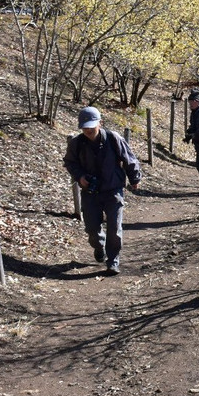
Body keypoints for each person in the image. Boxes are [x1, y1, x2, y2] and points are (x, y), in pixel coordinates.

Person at [63, 106, 142, 276]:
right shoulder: (76, 144)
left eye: (91, 126)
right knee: (92, 229)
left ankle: (113, 260)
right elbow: (70, 162)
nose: (88, 130)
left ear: (100, 123)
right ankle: (99, 246)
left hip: (113, 190)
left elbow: (129, 158)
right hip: (90, 192)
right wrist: (80, 177)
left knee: (114, 227)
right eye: (85, 127)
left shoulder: (113, 139)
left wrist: (135, 178)